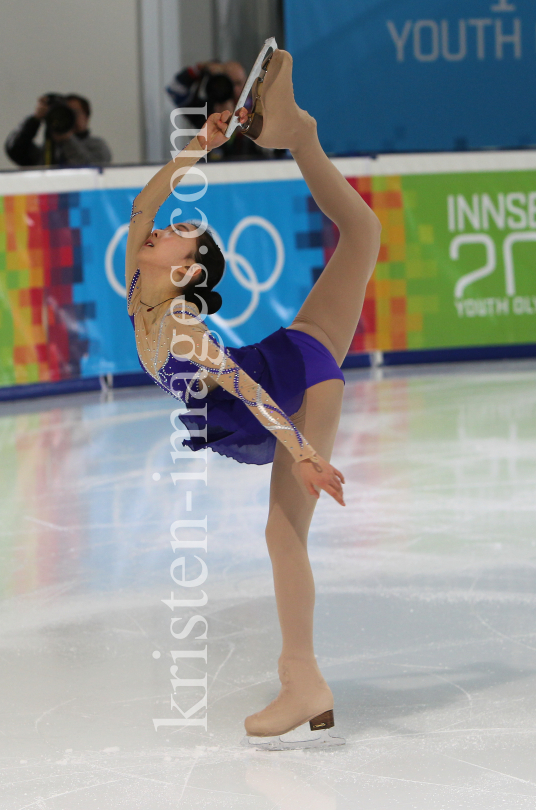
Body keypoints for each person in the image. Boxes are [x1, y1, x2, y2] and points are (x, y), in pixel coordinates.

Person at [126, 49, 381, 747]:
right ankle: (300, 135)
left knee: (282, 533)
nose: (158, 228)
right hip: (291, 347)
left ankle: (304, 679)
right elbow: (145, 202)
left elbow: (248, 387)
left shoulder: (179, 329)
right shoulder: (138, 285)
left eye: (174, 234)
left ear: (181, 270)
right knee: (362, 235)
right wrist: (197, 150)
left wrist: (300, 452)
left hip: (292, 384)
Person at [166, 60, 277, 161]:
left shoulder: (257, 108)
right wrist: (202, 68)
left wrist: (236, 120)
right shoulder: (206, 110)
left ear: (247, 83)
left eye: (238, 83)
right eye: (228, 83)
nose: (233, 89)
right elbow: (175, 89)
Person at [5, 93, 112, 168]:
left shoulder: (97, 145)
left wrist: (68, 139)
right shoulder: (47, 150)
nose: (70, 117)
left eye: (75, 112)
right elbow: (15, 149)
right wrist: (35, 120)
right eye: (65, 113)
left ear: (87, 117)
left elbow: (93, 170)